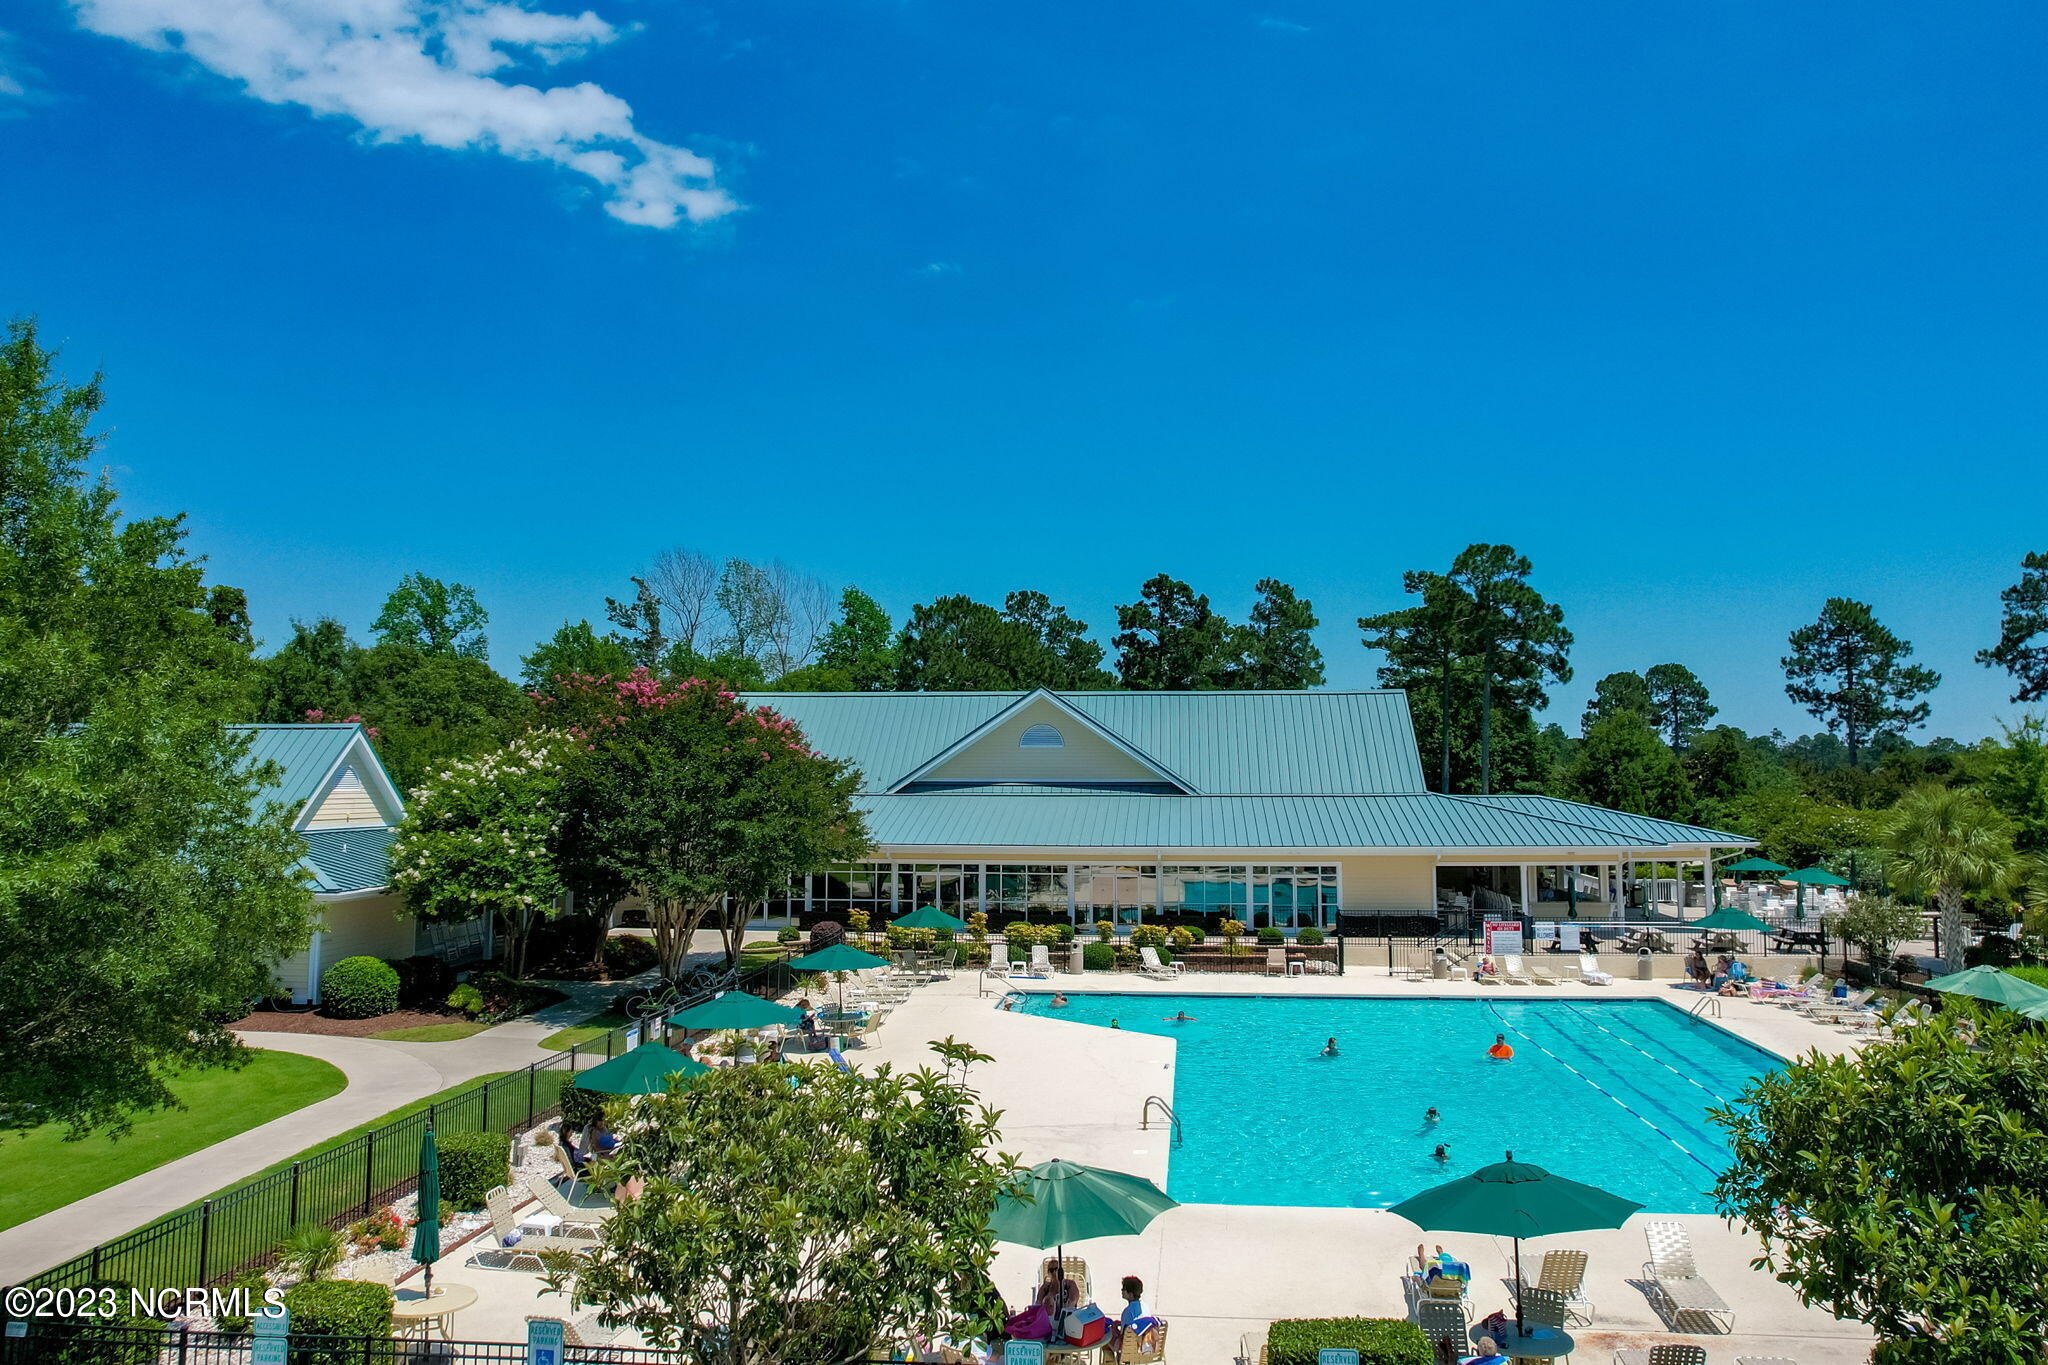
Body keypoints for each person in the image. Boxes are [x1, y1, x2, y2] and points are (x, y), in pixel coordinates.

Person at [1112, 1276, 1158, 1352]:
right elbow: (1139, 1322)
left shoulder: (1127, 1311)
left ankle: (1109, 1358)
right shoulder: (1145, 1306)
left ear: (1130, 1294)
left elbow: (1123, 1336)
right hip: (1144, 1346)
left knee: (1108, 1334)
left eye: (1124, 1289)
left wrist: (1114, 1329)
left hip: (1130, 1350)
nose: (1121, 1290)